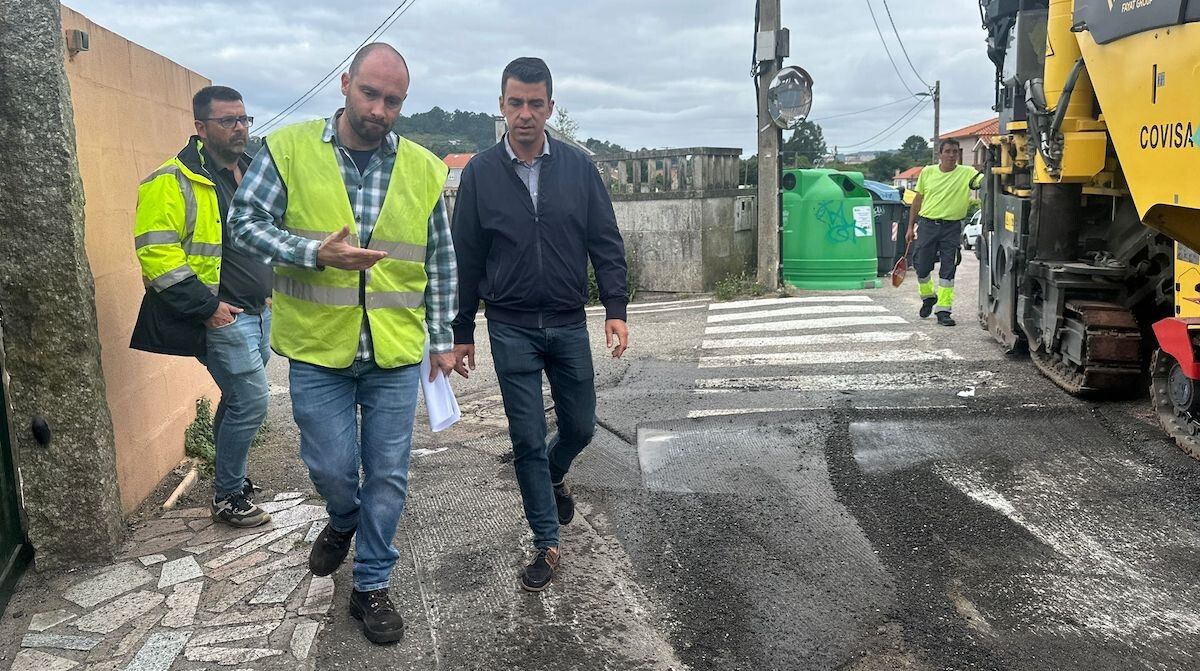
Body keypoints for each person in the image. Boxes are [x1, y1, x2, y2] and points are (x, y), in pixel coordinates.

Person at [228, 43, 456, 645]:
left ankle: (373, 585)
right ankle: (342, 517)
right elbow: (244, 224)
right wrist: (313, 253)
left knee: (388, 473)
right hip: (317, 349)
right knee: (332, 467)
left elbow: (440, 260)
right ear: (345, 83)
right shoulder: (289, 149)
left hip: (394, 352)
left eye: (394, 100)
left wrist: (444, 339)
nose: (380, 109)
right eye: (370, 93)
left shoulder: (425, 168)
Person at [450, 57, 630, 592]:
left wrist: (615, 310)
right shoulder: (480, 173)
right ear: (501, 106)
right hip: (510, 326)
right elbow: (468, 257)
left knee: (580, 426)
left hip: (568, 321)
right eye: (514, 103)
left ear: (550, 107)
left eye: (535, 103)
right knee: (526, 436)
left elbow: (606, 241)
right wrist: (463, 331)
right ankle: (546, 544)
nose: (524, 114)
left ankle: (554, 474)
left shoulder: (578, 168)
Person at [130, 86, 272, 529]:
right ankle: (228, 495)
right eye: (228, 121)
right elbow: (157, 255)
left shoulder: (252, 172)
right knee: (251, 400)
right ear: (200, 127)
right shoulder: (170, 180)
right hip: (222, 316)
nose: (240, 129)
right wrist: (208, 307)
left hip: (259, 310)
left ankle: (232, 480)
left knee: (236, 396)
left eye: (244, 119)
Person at [905, 138, 983, 326]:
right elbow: (917, 200)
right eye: (947, 151)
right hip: (927, 225)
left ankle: (943, 310)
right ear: (939, 154)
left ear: (959, 154)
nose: (951, 155)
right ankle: (928, 297)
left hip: (952, 227)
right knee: (922, 266)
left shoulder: (968, 173)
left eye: (955, 151)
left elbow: (985, 181)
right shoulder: (928, 172)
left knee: (949, 268)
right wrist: (910, 227)